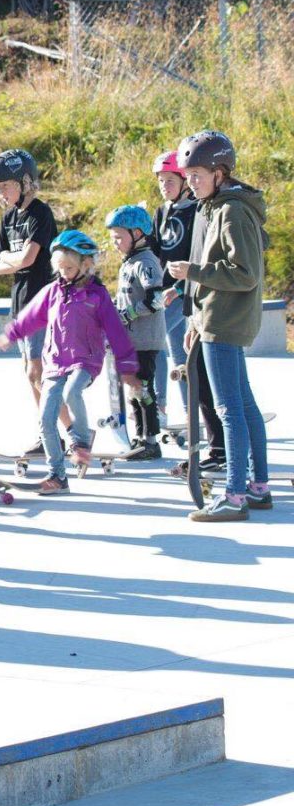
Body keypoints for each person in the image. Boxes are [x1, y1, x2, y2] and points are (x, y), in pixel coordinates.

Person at [167, 129, 272, 522]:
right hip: (215, 317)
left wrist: (192, 271)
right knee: (243, 405)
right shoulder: (218, 206)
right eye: (188, 174)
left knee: (229, 409)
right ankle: (258, 489)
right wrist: (195, 313)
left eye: (197, 174)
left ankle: (235, 496)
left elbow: (243, 273)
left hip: (225, 322)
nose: (190, 182)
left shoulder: (231, 211)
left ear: (220, 172)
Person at [0, 231, 140, 495]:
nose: (64, 273)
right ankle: (57, 476)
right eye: (59, 268)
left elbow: (117, 332)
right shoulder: (53, 292)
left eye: (69, 268)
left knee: (73, 392)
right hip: (55, 363)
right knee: (46, 420)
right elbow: (31, 317)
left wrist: (128, 369)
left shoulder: (97, 296)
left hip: (85, 361)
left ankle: (81, 442)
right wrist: (11, 334)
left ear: (86, 265)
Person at [0, 148, 60, 461]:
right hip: (19, 306)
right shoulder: (9, 219)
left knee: (39, 372)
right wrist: (14, 261)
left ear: (26, 182)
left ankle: (59, 434)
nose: (1, 194)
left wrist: (12, 261)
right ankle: (52, 433)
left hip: (41, 303)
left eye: (5, 187)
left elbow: (29, 258)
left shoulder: (40, 213)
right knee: (32, 374)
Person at [105, 205, 165, 461]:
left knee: (143, 389)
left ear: (137, 233)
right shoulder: (129, 262)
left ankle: (151, 441)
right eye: (113, 238)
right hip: (130, 340)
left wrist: (127, 314)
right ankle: (139, 438)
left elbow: (155, 300)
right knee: (133, 389)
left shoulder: (147, 263)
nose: (115, 242)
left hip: (145, 340)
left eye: (119, 237)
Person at [151, 151, 197, 427]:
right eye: (160, 181)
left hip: (184, 290)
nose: (164, 186)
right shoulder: (161, 211)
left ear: (184, 182)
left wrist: (179, 289)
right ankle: (190, 409)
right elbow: (156, 253)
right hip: (163, 291)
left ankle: (158, 406)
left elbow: (198, 256)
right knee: (179, 352)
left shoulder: (195, 211)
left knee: (155, 340)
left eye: (170, 180)